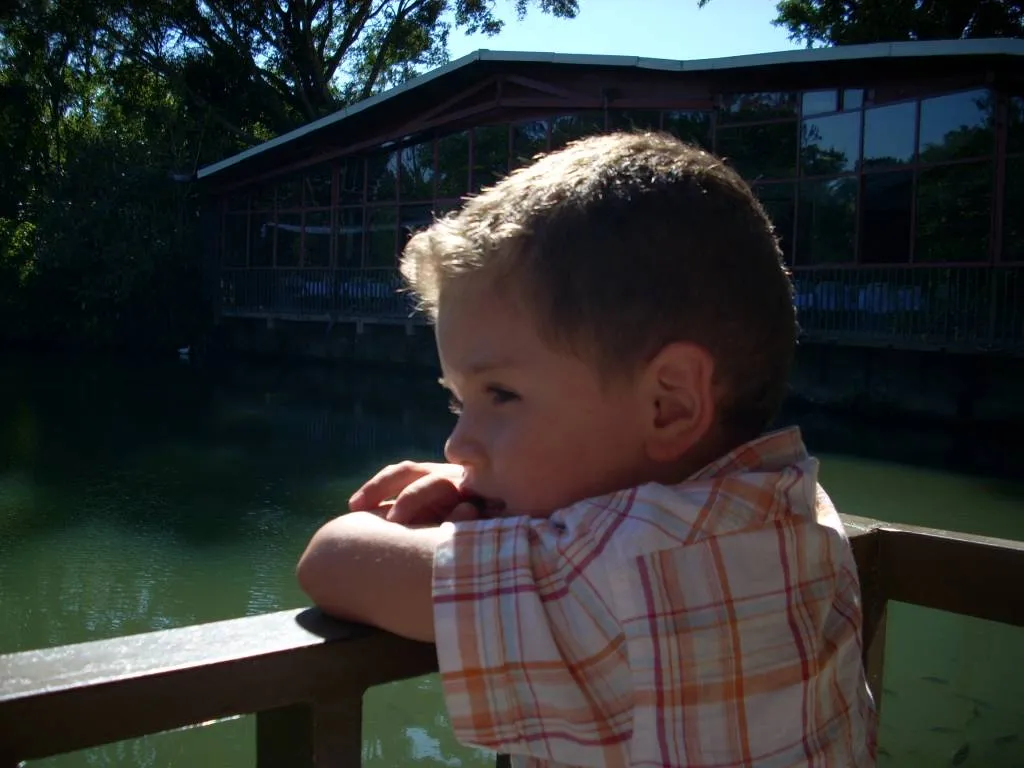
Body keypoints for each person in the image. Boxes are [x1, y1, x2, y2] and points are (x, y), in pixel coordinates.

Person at [296, 131, 877, 768]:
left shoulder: (616, 572)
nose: (458, 445)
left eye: (502, 395)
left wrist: (462, 519)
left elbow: (333, 559)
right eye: (460, 403)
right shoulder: (798, 504)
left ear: (670, 405)